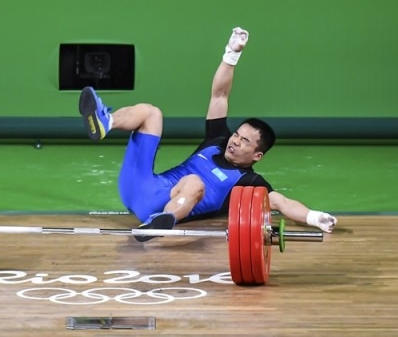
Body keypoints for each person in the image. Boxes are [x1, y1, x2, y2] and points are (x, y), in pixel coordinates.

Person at [79, 26, 337, 240]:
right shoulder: (216, 140)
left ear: (257, 155)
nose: (234, 140)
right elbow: (220, 94)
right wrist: (231, 54)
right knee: (151, 113)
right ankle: (107, 122)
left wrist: (314, 217)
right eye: (237, 134)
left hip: (162, 205)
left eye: (244, 140)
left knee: (194, 182)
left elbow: (281, 203)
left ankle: (160, 222)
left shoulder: (248, 182)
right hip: (139, 185)